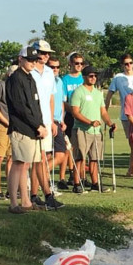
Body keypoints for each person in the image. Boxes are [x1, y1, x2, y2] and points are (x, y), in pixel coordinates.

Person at [6, 47, 61, 213]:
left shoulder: (29, 77)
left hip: (33, 127)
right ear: (20, 59)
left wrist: (41, 124)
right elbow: (21, 107)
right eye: (29, 59)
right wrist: (37, 125)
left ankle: (26, 201)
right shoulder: (16, 78)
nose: (32, 62)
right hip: (21, 127)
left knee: (25, 165)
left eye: (34, 60)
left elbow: (35, 104)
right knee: (18, 164)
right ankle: (14, 203)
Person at [70, 65, 116, 193]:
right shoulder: (78, 92)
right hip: (81, 130)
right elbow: (75, 112)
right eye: (91, 76)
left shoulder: (97, 93)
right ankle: (77, 183)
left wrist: (110, 123)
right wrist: (89, 122)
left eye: (95, 76)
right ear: (84, 77)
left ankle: (95, 183)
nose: (93, 78)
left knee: (95, 158)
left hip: (96, 131)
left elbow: (103, 112)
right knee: (79, 158)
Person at [30, 40, 57, 206]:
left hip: (47, 120)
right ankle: (45, 195)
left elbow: (51, 98)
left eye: (48, 53)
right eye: (43, 52)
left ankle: (35, 194)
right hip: (34, 121)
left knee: (43, 158)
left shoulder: (49, 72)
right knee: (37, 158)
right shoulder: (28, 71)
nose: (46, 56)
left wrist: (52, 121)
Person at [0, 65, 16, 200]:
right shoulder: (1, 85)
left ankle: (9, 189)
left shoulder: (17, 88)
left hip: (14, 127)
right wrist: (6, 122)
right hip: (2, 126)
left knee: (11, 158)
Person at [62, 52, 85, 187]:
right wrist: (73, 111)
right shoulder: (65, 79)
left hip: (84, 116)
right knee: (69, 146)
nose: (79, 66)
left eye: (81, 63)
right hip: (70, 115)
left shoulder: (84, 78)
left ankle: (81, 174)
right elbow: (63, 101)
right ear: (70, 64)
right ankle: (71, 172)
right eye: (76, 63)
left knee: (81, 146)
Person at [47, 56, 68, 190]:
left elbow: (61, 101)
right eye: (52, 67)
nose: (55, 69)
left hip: (58, 121)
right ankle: (36, 176)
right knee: (58, 155)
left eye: (57, 67)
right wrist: (51, 121)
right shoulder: (46, 81)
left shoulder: (59, 81)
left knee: (57, 154)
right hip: (49, 122)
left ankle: (45, 181)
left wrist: (62, 120)